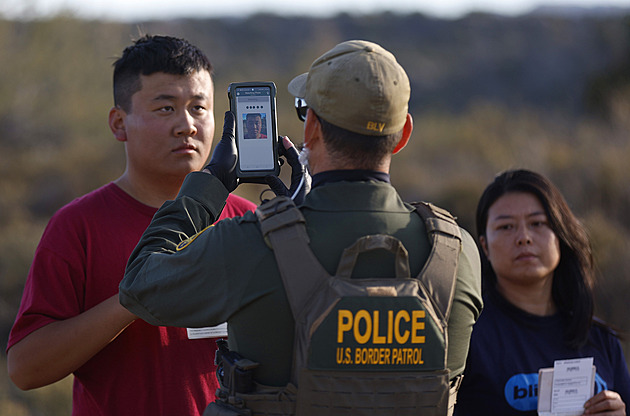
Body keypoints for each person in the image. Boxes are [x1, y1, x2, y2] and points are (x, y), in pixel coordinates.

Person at [119, 40, 483, 415]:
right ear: (403, 134)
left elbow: (140, 287)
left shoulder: (252, 242)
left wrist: (206, 188)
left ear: (310, 128)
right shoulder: (457, 252)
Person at [6, 34, 256, 415]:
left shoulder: (248, 221)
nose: (186, 125)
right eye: (165, 108)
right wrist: (135, 299)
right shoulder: (79, 226)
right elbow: (26, 369)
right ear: (118, 123)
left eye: (199, 107)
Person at [454, 169, 630, 416]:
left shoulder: (601, 339)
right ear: (484, 246)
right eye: (506, 227)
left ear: (560, 233)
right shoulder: (466, 335)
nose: (524, 238)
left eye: (538, 223)